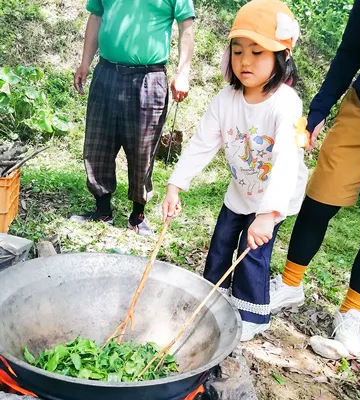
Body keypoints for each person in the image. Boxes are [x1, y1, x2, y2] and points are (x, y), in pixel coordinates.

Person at [162, 0, 307, 342]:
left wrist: (269, 215)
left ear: (282, 58)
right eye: (238, 51)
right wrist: (175, 185)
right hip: (241, 190)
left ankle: (252, 315)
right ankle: (211, 298)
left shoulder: (285, 104)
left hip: (275, 196)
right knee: (222, 241)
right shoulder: (225, 101)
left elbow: (286, 162)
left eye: (258, 52)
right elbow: (200, 145)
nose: (245, 61)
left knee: (251, 252)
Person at [270, 0, 360, 356]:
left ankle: (352, 313)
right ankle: (289, 283)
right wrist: (319, 109)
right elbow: (353, 46)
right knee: (319, 200)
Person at [71, 0, 195, 236]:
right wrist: (85, 63)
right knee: (98, 143)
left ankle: (138, 214)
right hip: (107, 71)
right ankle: (102, 209)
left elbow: (186, 27)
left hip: (149, 77)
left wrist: (183, 73)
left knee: (143, 149)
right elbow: (96, 17)